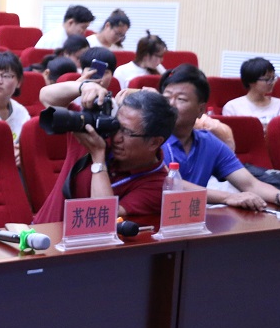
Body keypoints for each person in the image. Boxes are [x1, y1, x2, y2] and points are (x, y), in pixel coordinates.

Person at [34, 78, 177, 223]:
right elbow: (47, 97)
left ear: (154, 142)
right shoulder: (96, 131)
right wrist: (84, 86)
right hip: (40, 231)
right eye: (117, 125)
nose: (116, 138)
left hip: (84, 237)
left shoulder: (157, 184)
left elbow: (103, 217)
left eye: (126, 132)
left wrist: (98, 158)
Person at [159, 65, 280, 210]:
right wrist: (227, 197)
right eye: (166, 98)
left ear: (201, 109)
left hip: (188, 217)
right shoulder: (152, 139)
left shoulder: (208, 143)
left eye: (181, 99)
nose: (170, 104)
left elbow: (250, 184)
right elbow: (166, 182)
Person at [221, 57, 280, 130]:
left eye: (273, 78)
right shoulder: (232, 107)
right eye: (267, 79)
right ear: (251, 81)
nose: (272, 82)